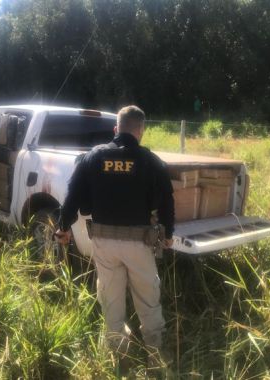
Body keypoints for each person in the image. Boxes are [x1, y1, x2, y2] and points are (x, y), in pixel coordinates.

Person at [55, 105, 174, 375]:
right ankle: (156, 356)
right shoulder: (151, 161)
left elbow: (72, 195)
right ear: (140, 130)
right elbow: (167, 199)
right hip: (139, 244)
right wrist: (168, 234)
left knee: (111, 299)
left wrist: (63, 227)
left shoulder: (93, 157)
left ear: (116, 128)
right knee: (147, 299)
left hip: (104, 244)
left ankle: (117, 356)